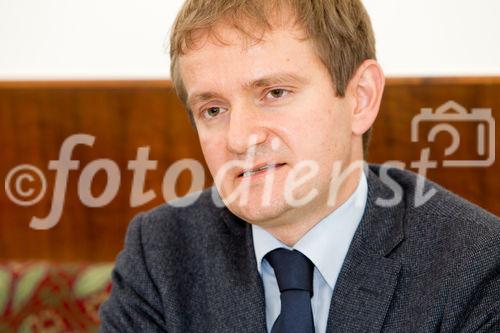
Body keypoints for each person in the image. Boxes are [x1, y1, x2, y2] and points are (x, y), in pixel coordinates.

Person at [99, 0, 500, 332]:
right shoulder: (160, 254)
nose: (239, 139)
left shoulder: (475, 263)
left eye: (274, 92)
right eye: (214, 109)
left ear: (360, 98)